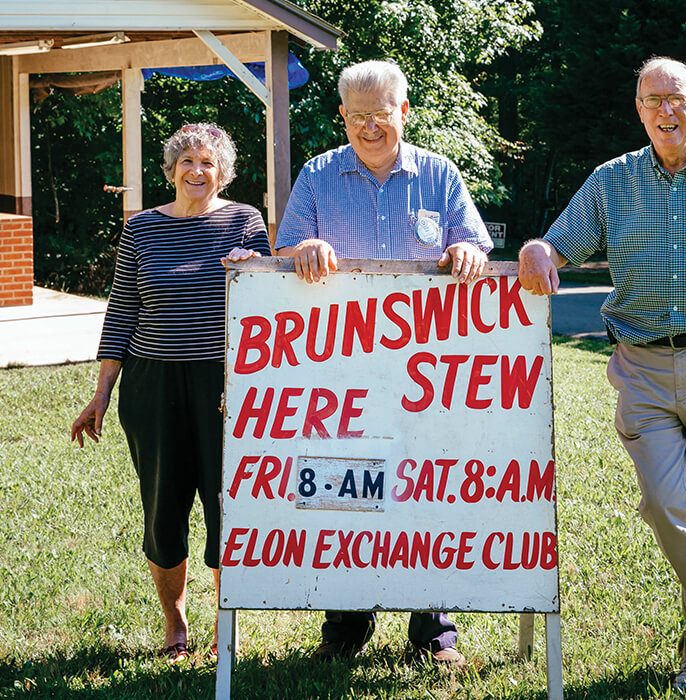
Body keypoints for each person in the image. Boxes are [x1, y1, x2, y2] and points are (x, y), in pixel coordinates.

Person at [518, 57, 686, 693]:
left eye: (675, 98)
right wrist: (536, 249)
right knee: (669, 506)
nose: (664, 110)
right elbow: (556, 249)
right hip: (640, 369)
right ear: (638, 110)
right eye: (650, 100)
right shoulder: (612, 183)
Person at [275, 59, 493, 666]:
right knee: (350, 482)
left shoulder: (441, 175)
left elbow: (472, 242)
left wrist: (464, 251)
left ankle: (433, 623)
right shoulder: (319, 175)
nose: (371, 126)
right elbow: (285, 248)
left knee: (431, 484)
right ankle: (346, 620)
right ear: (342, 116)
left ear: (405, 112)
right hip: (341, 368)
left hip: (427, 372)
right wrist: (305, 248)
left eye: (382, 114)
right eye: (358, 116)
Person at [70, 123, 271, 664]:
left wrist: (257, 270)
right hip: (153, 383)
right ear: (171, 169)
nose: (197, 172)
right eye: (187, 162)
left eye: (208, 163)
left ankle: (223, 626)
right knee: (163, 507)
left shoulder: (246, 223)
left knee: (228, 506)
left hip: (224, 386)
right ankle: (175, 623)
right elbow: (121, 312)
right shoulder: (141, 230)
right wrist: (101, 394)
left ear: (223, 172)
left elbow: (265, 303)